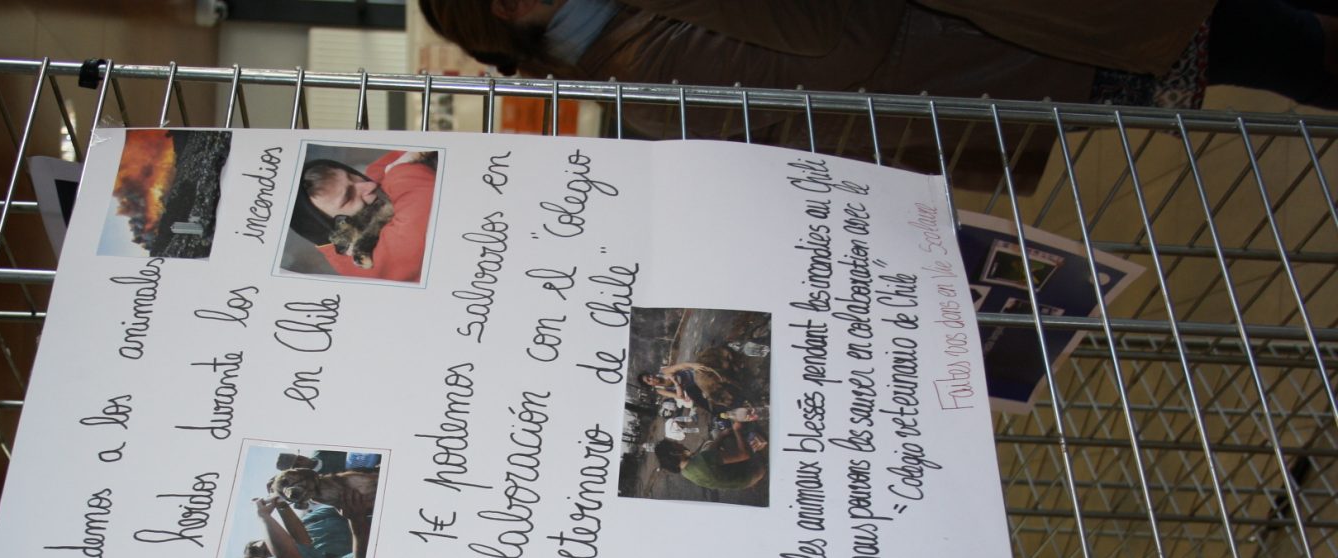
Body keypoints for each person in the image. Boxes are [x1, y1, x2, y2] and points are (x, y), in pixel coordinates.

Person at [417, 0, 1338, 189]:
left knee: (1265, 38)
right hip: (1010, 51)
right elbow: (839, 44)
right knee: (1275, 40)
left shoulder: (615, 57)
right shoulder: (633, 53)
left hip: (1002, 55)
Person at [287, 151, 438, 282]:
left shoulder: (375, 178)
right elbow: (426, 196)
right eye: (349, 197)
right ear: (333, 227)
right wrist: (399, 168)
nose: (370, 185)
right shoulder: (371, 261)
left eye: (351, 176)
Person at [654, 425, 768, 492]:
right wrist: (736, 430)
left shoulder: (685, 472)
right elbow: (744, 455)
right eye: (676, 444)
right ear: (675, 453)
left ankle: (753, 481)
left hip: (742, 484)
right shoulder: (703, 460)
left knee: (718, 437)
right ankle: (759, 452)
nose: (680, 443)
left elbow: (709, 453)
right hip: (756, 470)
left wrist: (721, 436)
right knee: (732, 439)